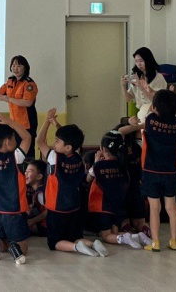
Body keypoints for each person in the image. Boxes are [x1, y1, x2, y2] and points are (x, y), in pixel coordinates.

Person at [37, 109, 107, 257]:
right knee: (74, 236)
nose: (54, 144)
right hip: (74, 207)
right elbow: (69, 140)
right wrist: (57, 125)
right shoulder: (77, 157)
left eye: (57, 141)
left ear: (67, 147)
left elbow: (40, 142)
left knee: (54, 242)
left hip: (57, 208)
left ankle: (76, 248)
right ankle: (92, 244)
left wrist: (47, 121)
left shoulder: (54, 158)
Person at [87, 131, 151, 250]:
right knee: (114, 232)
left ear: (103, 149)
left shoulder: (98, 166)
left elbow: (87, 179)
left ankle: (125, 238)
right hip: (118, 206)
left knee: (106, 236)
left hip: (103, 207)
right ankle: (138, 236)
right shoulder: (123, 165)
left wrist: (96, 162)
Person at [0, 112, 32, 264]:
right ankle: (16, 249)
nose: (16, 141)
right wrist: (10, 122)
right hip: (13, 210)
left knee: (0, 239)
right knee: (23, 245)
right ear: (7, 141)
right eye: (13, 138)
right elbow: (27, 137)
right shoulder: (16, 157)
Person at [141, 89, 176, 252]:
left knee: (154, 208)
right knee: (171, 207)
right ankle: (174, 241)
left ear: (155, 107)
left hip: (151, 170)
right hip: (171, 171)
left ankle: (155, 242)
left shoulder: (150, 120)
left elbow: (151, 112)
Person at [0, 55, 38, 159]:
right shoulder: (10, 81)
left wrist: (9, 99)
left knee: (27, 152)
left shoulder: (29, 83)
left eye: (19, 66)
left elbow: (28, 102)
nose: (15, 68)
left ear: (25, 68)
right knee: (14, 152)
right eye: (13, 65)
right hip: (13, 124)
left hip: (27, 123)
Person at [121, 47, 168, 129]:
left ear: (148, 60)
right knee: (124, 125)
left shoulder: (158, 78)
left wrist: (142, 87)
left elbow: (156, 101)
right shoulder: (137, 77)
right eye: (136, 61)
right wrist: (123, 85)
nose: (139, 64)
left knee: (126, 129)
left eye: (141, 61)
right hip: (142, 112)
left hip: (154, 112)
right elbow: (128, 98)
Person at [24, 160, 47, 237]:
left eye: (29, 171)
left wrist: (32, 221)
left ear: (39, 176)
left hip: (46, 226)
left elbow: (48, 211)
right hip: (41, 223)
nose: (25, 174)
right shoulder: (38, 190)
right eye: (25, 171)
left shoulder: (41, 193)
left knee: (19, 225)